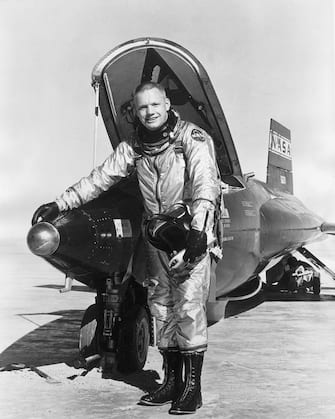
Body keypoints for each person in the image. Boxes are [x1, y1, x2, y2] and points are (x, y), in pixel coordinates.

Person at [32, 82, 221, 415]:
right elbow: (100, 178)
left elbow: (206, 183)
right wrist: (60, 204)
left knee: (188, 308)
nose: (149, 112)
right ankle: (171, 382)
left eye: (155, 105)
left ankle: (192, 389)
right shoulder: (133, 147)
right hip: (155, 237)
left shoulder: (192, 139)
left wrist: (198, 230)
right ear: (136, 110)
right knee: (162, 308)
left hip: (187, 233)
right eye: (143, 107)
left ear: (166, 104)